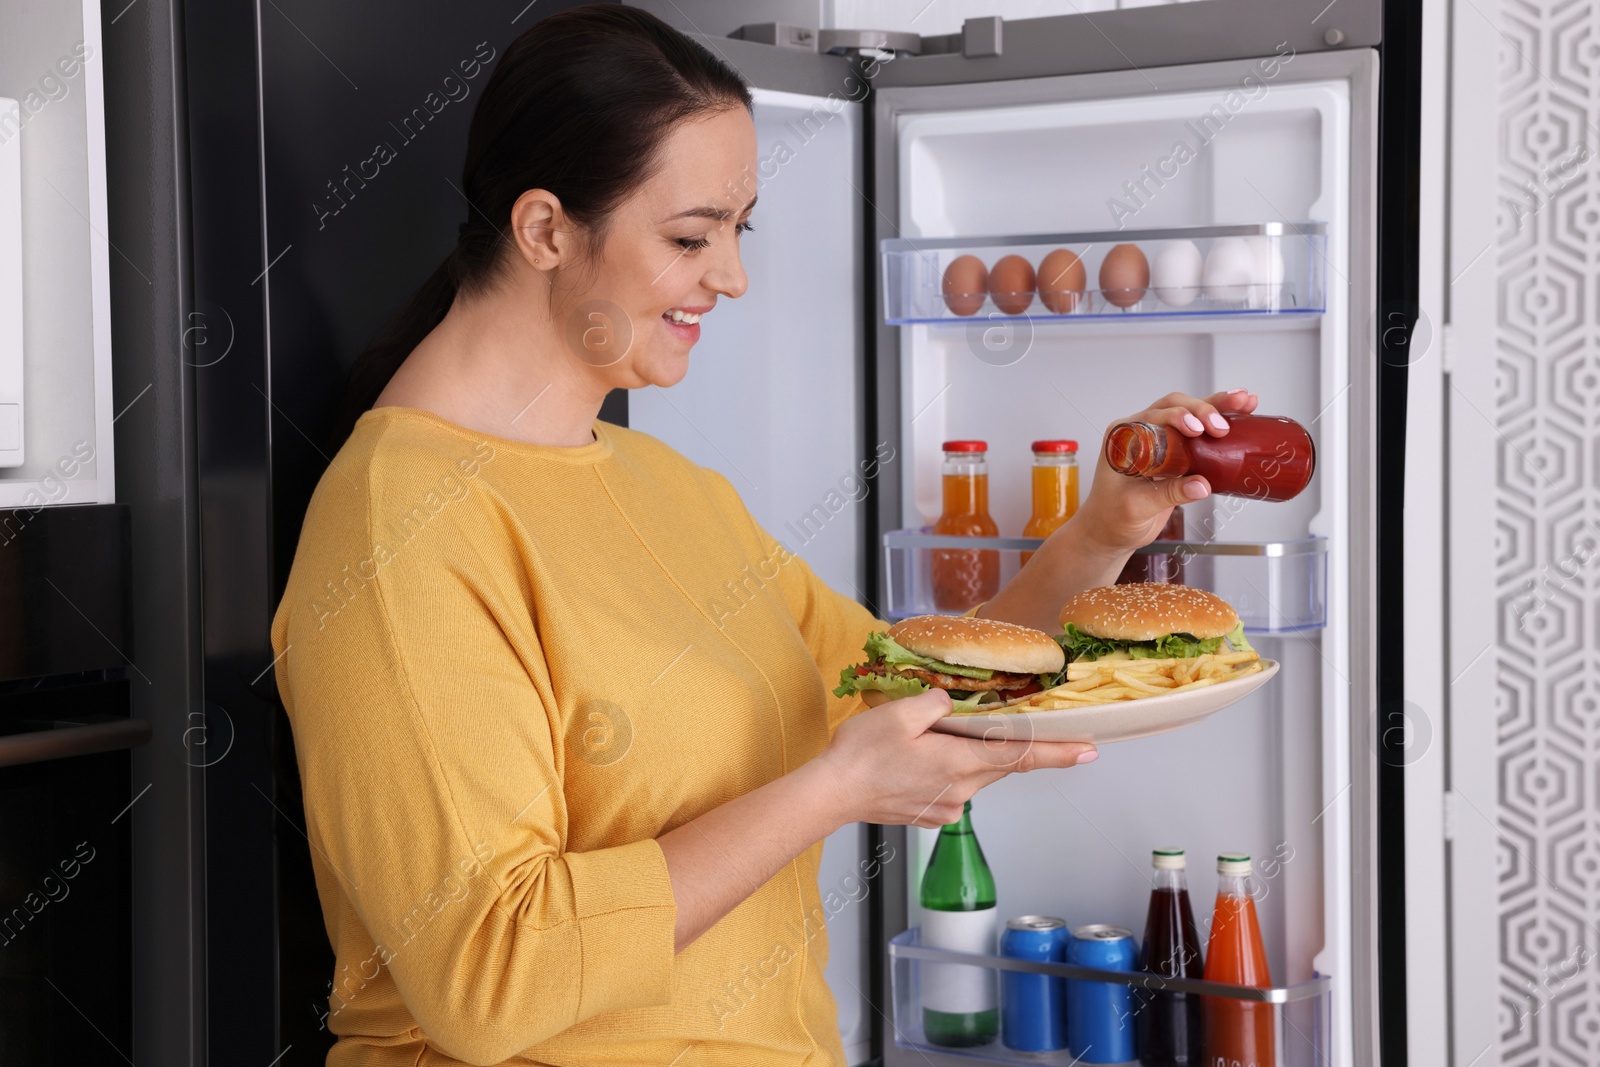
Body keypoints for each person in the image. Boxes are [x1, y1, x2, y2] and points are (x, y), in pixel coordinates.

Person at [269, 7, 1261, 1065]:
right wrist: (830, 791)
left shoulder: (669, 487)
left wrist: (1104, 530)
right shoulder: (401, 528)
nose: (731, 276)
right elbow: (488, 974)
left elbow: (913, 686)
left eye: (740, 232)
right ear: (546, 230)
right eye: (692, 237)